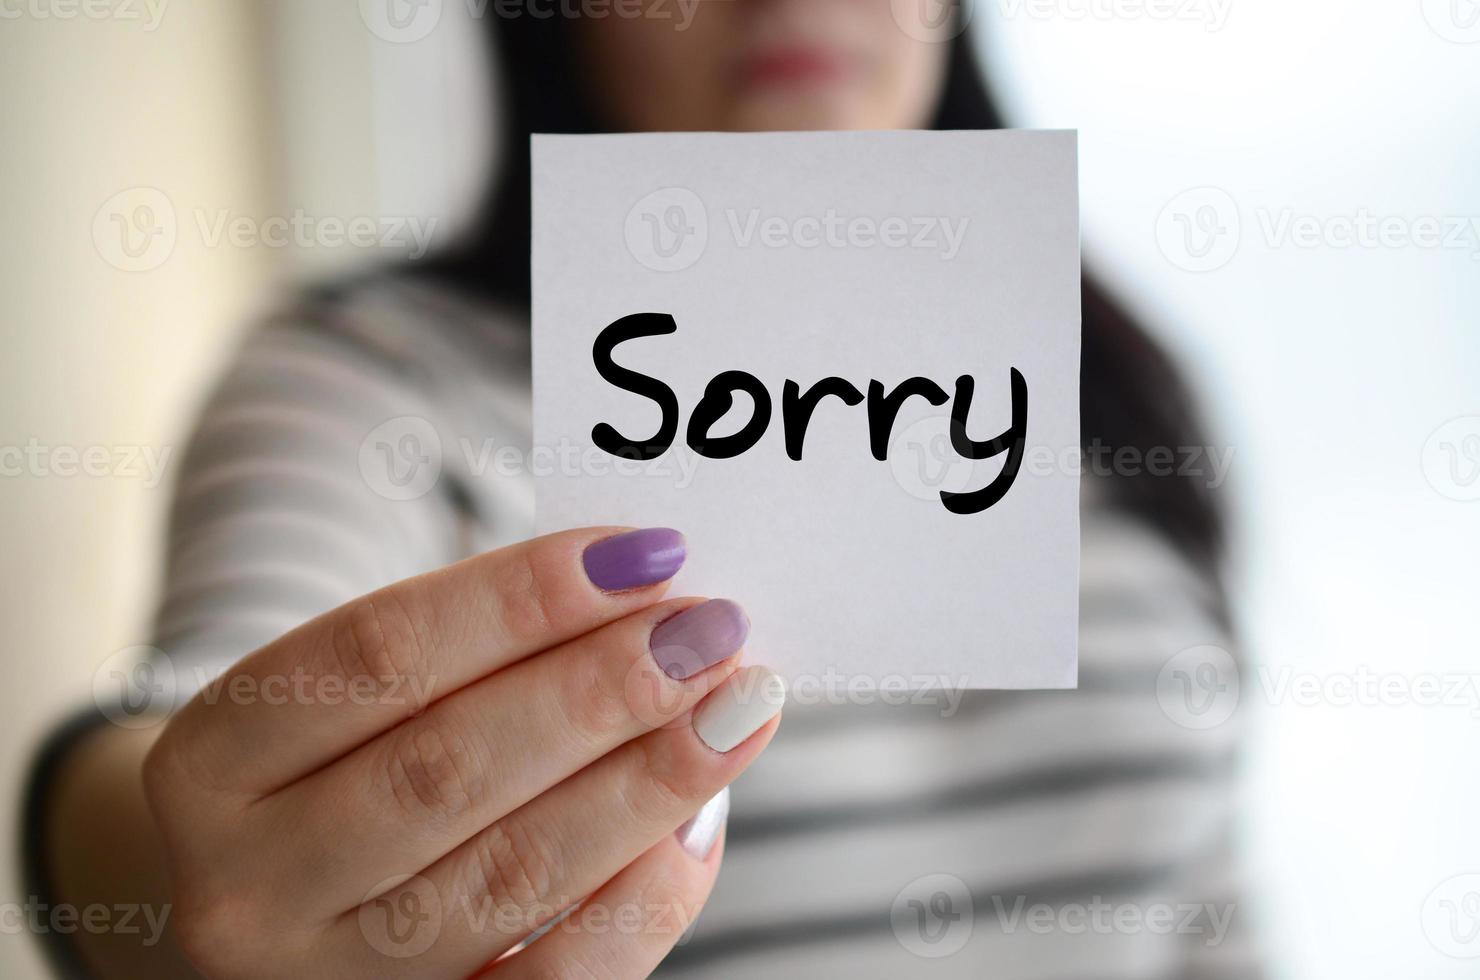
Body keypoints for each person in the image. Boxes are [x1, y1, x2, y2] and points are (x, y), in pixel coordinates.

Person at [26, 3, 1257, 977]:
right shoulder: (378, 386)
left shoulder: (1099, 377)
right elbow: (188, 740)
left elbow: (1214, 919)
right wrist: (149, 858)